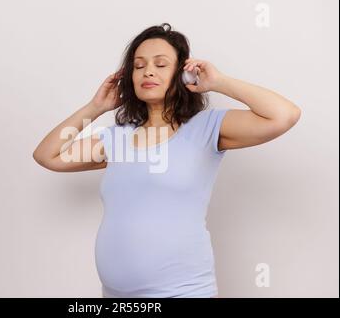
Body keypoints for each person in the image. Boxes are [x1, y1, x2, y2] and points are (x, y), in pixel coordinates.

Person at [33, 23, 301, 298]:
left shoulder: (206, 127)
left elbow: (284, 115)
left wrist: (219, 82)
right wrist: (95, 107)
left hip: (183, 292)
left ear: (183, 74)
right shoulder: (116, 139)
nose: (148, 71)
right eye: (138, 66)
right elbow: (47, 156)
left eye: (161, 64)